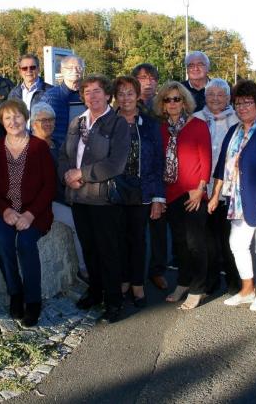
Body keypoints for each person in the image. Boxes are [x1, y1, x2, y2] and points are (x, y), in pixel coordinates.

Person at [208, 80, 256, 311]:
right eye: (238, 103)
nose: (242, 108)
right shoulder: (234, 131)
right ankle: (247, 289)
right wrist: (215, 196)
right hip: (238, 200)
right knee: (237, 244)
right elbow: (221, 167)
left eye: (247, 103)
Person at [58, 74, 130, 322]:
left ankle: (114, 302)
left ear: (108, 94)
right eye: (87, 92)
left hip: (103, 200)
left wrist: (82, 174)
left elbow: (116, 163)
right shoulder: (76, 122)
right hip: (78, 197)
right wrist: (68, 176)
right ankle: (95, 291)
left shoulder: (118, 124)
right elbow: (63, 156)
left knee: (108, 252)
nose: (92, 96)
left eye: (97, 91)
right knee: (88, 249)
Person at [0, 100, 56, 326]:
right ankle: (15, 292)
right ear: (2, 122)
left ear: (25, 118)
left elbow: (50, 185)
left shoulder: (39, 147)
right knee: (1, 240)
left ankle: (33, 300)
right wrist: (4, 210)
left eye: (17, 116)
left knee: (25, 242)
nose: (13, 122)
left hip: (35, 212)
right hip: (5, 211)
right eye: (7, 118)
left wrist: (30, 214)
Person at [155, 81, 212, 310]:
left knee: (195, 243)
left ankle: (198, 288)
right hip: (171, 193)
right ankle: (183, 282)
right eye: (167, 99)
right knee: (179, 244)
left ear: (184, 102)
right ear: (162, 104)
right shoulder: (161, 129)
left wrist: (201, 188)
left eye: (176, 99)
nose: (172, 103)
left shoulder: (198, 125)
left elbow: (206, 158)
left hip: (193, 193)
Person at [112, 76, 165, 307]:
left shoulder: (150, 124)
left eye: (130, 93)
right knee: (119, 239)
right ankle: (123, 280)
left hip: (142, 191)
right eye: (121, 94)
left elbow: (158, 162)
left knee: (138, 240)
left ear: (137, 96)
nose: (125, 98)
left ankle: (137, 284)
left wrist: (158, 197)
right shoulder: (108, 122)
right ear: (115, 97)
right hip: (114, 191)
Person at [31, 102, 88, 283]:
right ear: (33, 123)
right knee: (78, 224)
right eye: (43, 120)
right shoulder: (30, 147)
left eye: (51, 120)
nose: (48, 123)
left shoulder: (57, 144)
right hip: (48, 202)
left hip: (67, 195)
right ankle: (84, 269)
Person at [194, 78, 240, 294]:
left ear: (228, 98)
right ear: (204, 97)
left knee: (229, 238)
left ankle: (234, 281)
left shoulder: (237, 119)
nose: (215, 98)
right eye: (211, 94)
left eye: (220, 94)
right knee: (207, 240)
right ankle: (211, 280)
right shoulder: (195, 119)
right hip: (202, 188)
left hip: (229, 189)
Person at [132, 63, 168, 291]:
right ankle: (134, 275)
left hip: (159, 172)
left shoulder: (165, 104)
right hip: (134, 178)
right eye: (143, 78)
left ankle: (157, 270)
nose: (148, 82)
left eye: (152, 78)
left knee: (158, 228)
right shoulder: (126, 105)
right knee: (135, 232)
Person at [40, 55, 85, 149]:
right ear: (62, 71)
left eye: (78, 67)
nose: (75, 71)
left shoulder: (89, 95)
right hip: (57, 151)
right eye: (70, 68)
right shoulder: (50, 97)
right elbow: (39, 127)